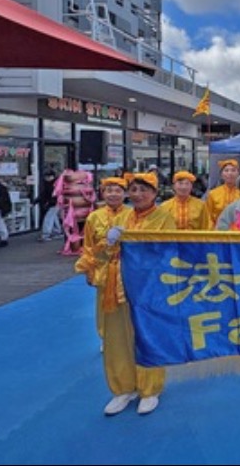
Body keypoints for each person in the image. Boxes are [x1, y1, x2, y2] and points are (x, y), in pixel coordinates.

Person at [99, 172, 177, 416]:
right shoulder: (120, 217)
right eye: (134, 189)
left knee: (147, 337)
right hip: (117, 286)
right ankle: (123, 388)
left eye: (145, 190)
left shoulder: (164, 218)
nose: (139, 194)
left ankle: (150, 389)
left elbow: (168, 251)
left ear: (155, 193)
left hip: (149, 289)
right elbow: (101, 253)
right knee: (117, 339)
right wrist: (110, 244)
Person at [74, 176, 130, 341]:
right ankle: (106, 338)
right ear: (102, 193)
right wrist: (88, 270)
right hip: (103, 267)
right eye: (109, 191)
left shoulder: (132, 214)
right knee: (103, 305)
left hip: (128, 267)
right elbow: (89, 245)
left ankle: (129, 336)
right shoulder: (94, 217)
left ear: (125, 194)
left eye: (118, 191)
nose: (113, 195)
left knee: (128, 304)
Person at [206, 159, 240, 225]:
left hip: (239, 232)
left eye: (233, 170)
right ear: (221, 174)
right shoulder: (213, 194)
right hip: (218, 231)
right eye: (226, 170)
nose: (230, 173)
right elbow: (208, 216)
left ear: (238, 174)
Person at [36, 170, 62, 241]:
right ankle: (57, 231)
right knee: (53, 217)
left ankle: (46, 234)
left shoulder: (53, 185)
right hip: (54, 203)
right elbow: (43, 194)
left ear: (52, 177)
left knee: (49, 218)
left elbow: (52, 195)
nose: (46, 178)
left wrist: (48, 202)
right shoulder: (51, 184)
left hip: (54, 203)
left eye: (48, 176)